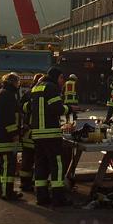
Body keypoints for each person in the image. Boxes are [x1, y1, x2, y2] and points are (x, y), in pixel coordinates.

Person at [28, 67, 71, 207]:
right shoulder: (52, 87)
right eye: (62, 78)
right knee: (57, 164)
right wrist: (69, 109)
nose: (63, 81)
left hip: (37, 134)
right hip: (51, 133)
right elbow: (57, 108)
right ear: (56, 77)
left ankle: (42, 197)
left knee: (41, 165)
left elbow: (29, 108)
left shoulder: (36, 87)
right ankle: (58, 198)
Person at [0, 72, 23, 201]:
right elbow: (9, 118)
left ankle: (3, 190)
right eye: (18, 82)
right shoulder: (7, 95)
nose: (19, 85)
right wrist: (14, 133)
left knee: (3, 165)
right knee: (6, 166)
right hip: (6, 137)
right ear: (13, 82)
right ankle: (6, 192)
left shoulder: (2, 93)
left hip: (1, 136)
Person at [19, 73, 44, 193]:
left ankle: (25, 183)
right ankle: (30, 183)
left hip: (28, 132)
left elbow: (21, 109)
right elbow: (22, 109)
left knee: (27, 159)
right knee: (35, 160)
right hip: (34, 132)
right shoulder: (35, 94)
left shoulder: (29, 93)